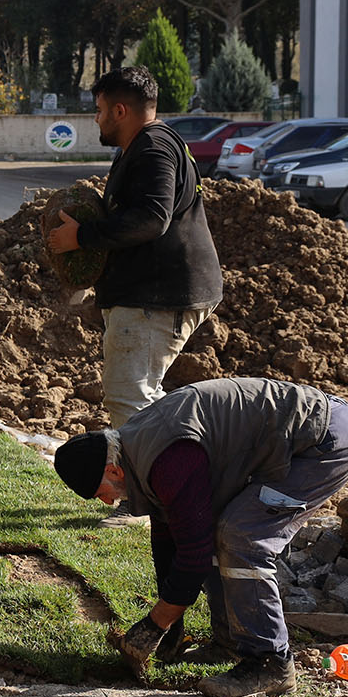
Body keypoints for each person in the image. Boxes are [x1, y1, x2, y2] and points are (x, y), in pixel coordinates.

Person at [53, 377, 348, 697]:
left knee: (241, 535)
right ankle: (230, 643)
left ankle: (271, 663)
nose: (108, 502)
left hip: (324, 440)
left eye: (101, 493)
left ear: (113, 471)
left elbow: (194, 556)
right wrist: (171, 620)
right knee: (215, 526)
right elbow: (170, 536)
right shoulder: (137, 452)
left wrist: (155, 624)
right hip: (307, 433)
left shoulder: (169, 458)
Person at [44, 65, 222, 427]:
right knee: (141, 399)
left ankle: (169, 462)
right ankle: (183, 453)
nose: (96, 119)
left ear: (120, 111)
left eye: (99, 110)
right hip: (153, 293)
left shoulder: (153, 150)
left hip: (156, 297)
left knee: (130, 397)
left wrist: (81, 236)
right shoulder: (145, 146)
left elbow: (151, 218)